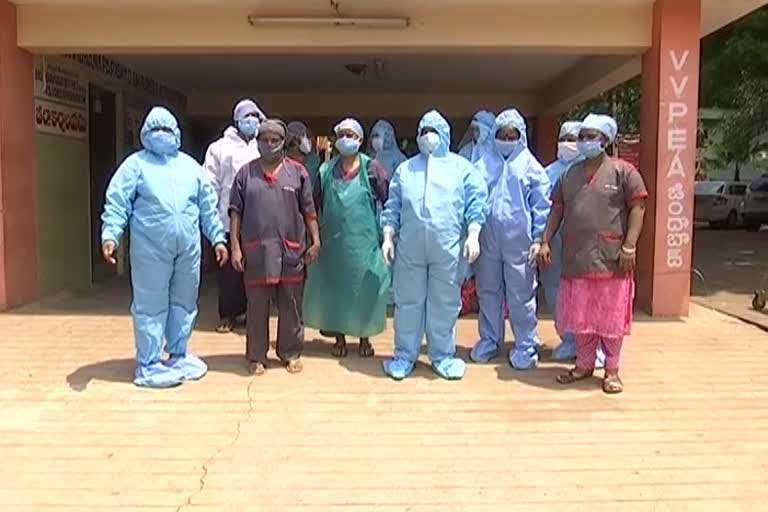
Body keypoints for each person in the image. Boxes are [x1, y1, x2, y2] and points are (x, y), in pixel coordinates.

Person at [101, 106, 228, 388]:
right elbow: (118, 201)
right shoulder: (135, 165)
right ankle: (148, 362)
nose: (162, 135)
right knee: (150, 303)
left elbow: (208, 205)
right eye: (156, 130)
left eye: (167, 130)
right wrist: (111, 235)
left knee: (184, 300)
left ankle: (178, 354)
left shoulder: (190, 167)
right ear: (145, 133)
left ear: (177, 133)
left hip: (188, 247)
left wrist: (217, 237)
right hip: (150, 248)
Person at [539, 113, 648, 394]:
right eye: (582, 136)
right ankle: (584, 365)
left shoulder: (624, 172)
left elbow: (638, 207)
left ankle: (611, 370)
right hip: (577, 258)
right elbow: (557, 210)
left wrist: (630, 245)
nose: (585, 141)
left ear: (605, 140)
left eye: (592, 137)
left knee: (610, 319)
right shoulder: (569, 175)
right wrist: (546, 241)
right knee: (582, 317)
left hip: (612, 259)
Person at [380, 110, 488, 380]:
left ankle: (442, 355)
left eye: (434, 131)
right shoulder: (406, 169)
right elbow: (392, 205)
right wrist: (388, 235)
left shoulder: (461, 168)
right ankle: (405, 354)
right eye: (424, 130)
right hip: (410, 250)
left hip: (447, 249)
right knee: (408, 303)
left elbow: (476, 201)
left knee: (445, 303)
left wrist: (473, 234)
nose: (428, 136)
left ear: (445, 135)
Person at [229, 119, 321, 376]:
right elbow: (235, 212)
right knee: (257, 306)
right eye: (264, 140)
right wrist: (235, 247)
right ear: (257, 142)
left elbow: (309, 211)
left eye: (274, 140)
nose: (269, 144)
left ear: (283, 143)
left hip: (292, 251)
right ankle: (257, 356)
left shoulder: (298, 173)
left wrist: (316, 240)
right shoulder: (245, 174)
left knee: (291, 304)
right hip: (256, 252)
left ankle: (290, 352)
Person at [469, 109, 550, 369]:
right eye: (502, 135)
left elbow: (542, 207)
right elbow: (472, 199)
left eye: (511, 135)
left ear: (521, 136)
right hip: (488, 241)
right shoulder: (482, 165)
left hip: (520, 244)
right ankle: (490, 340)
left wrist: (539, 238)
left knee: (521, 295)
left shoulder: (531, 168)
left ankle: (526, 344)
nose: (506, 139)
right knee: (488, 292)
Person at [304, 118, 390, 358]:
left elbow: (389, 201)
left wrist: (388, 235)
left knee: (364, 288)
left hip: (363, 244)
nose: (346, 139)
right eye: (342, 134)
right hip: (333, 244)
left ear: (360, 141)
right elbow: (313, 206)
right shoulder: (325, 170)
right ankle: (339, 338)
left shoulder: (372, 168)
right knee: (336, 290)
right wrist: (315, 239)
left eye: (351, 135)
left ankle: (364, 338)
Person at [540, 121, 606, 367]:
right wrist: (542, 240)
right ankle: (569, 340)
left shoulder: (594, 171)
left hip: (587, 245)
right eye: (564, 137)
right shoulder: (547, 173)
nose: (569, 143)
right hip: (556, 243)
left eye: (573, 138)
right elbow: (542, 209)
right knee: (556, 292)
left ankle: (593, 346)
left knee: (589, 293)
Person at [204, 98, 265, 333]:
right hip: (228, 219)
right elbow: (210, 184)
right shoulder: (219, 147)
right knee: (230, 270)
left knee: (255, 269)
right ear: (237, 120)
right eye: (246, 116)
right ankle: (228, 313)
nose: (251, 120)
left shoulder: (263, 144)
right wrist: (211, 221)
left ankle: (253, 313)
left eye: (255, 116)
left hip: (259, 220)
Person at [286, 120, 323, 188]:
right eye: (307, 136)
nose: (311, 140)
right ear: (295, 139)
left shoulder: (314, 161)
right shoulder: (282, 160)